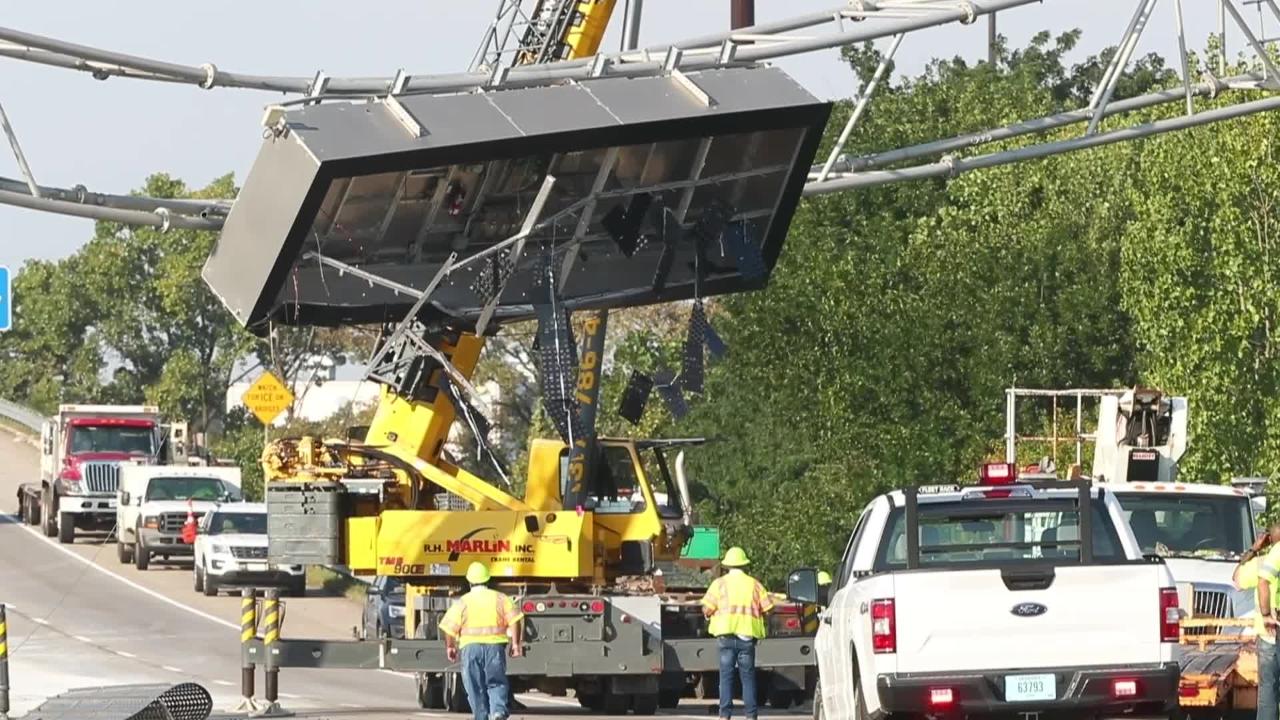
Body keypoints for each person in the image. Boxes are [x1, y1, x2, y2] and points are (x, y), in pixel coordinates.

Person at [440, 562, 524, 720]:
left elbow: (448, 627)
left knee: (474, 685)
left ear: (469, 581)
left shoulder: (463, 602)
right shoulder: (500, 598)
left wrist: (450, 647)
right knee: (497, 681)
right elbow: (515, 620)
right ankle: (498, 711)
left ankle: (481, 717)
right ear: (488, 579)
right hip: (495, 648)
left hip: (470, 649)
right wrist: (516, 644)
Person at [702, 547, 774, 720]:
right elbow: (769, 609)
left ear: (727, 566)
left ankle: (725, 714)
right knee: (748, 678)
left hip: (726, 637)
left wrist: (707, 613)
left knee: (726, 677)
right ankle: (751, 715)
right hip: (747, 637)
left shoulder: (719, 584)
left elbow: (708, 609)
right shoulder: (755, 585)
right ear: (744, 565)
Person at [1248, 522, 1280, 720]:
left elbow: (1237, 578)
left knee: (1269, 690)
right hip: (1272, 631)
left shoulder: (1264, 558)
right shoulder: (1275, 554)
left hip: (1270, 631)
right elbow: (1262, 582)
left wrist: (1253, 550)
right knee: (1269, 691)